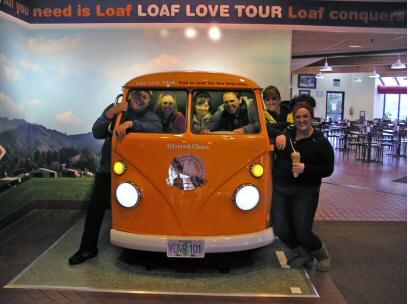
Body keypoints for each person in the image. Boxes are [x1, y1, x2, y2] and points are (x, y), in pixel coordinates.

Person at [68, 90, 162, 265]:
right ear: (129, 95)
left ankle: (140, 249)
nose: (140, 99)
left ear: (149, 101)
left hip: (136, 172)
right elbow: (97, 131)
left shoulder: (151, 116)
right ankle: (87, 248)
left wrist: (131, 124)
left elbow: (157, 129)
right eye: (137, 95)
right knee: (95, 209)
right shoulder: (115, 109)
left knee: (140, 208)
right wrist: (110, 113)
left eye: (144, 97)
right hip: (108, 168)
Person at [272, 100, 334, 272]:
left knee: (303, 231)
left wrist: (306, 168)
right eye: (298, 116)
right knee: (281, 229)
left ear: (311, 118)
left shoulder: (320, 142)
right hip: (282, 190)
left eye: (305, 116)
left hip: (306, 191)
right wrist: (281, 134)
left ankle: (322, 255)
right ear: (293, 118)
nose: (301, 120)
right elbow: (267, 126)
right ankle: (304, 254)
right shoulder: (288, 133)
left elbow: (328, 169)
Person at [263, 86, 291, 150]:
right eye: (267, 100)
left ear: (279, 100)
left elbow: (293, 127)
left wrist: (273, 128)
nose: (271, 102)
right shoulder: (262, 114)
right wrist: (280, 132)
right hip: (275, 151)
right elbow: (265, 128)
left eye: (274, 99)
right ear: (264, 102)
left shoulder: (290, 111)